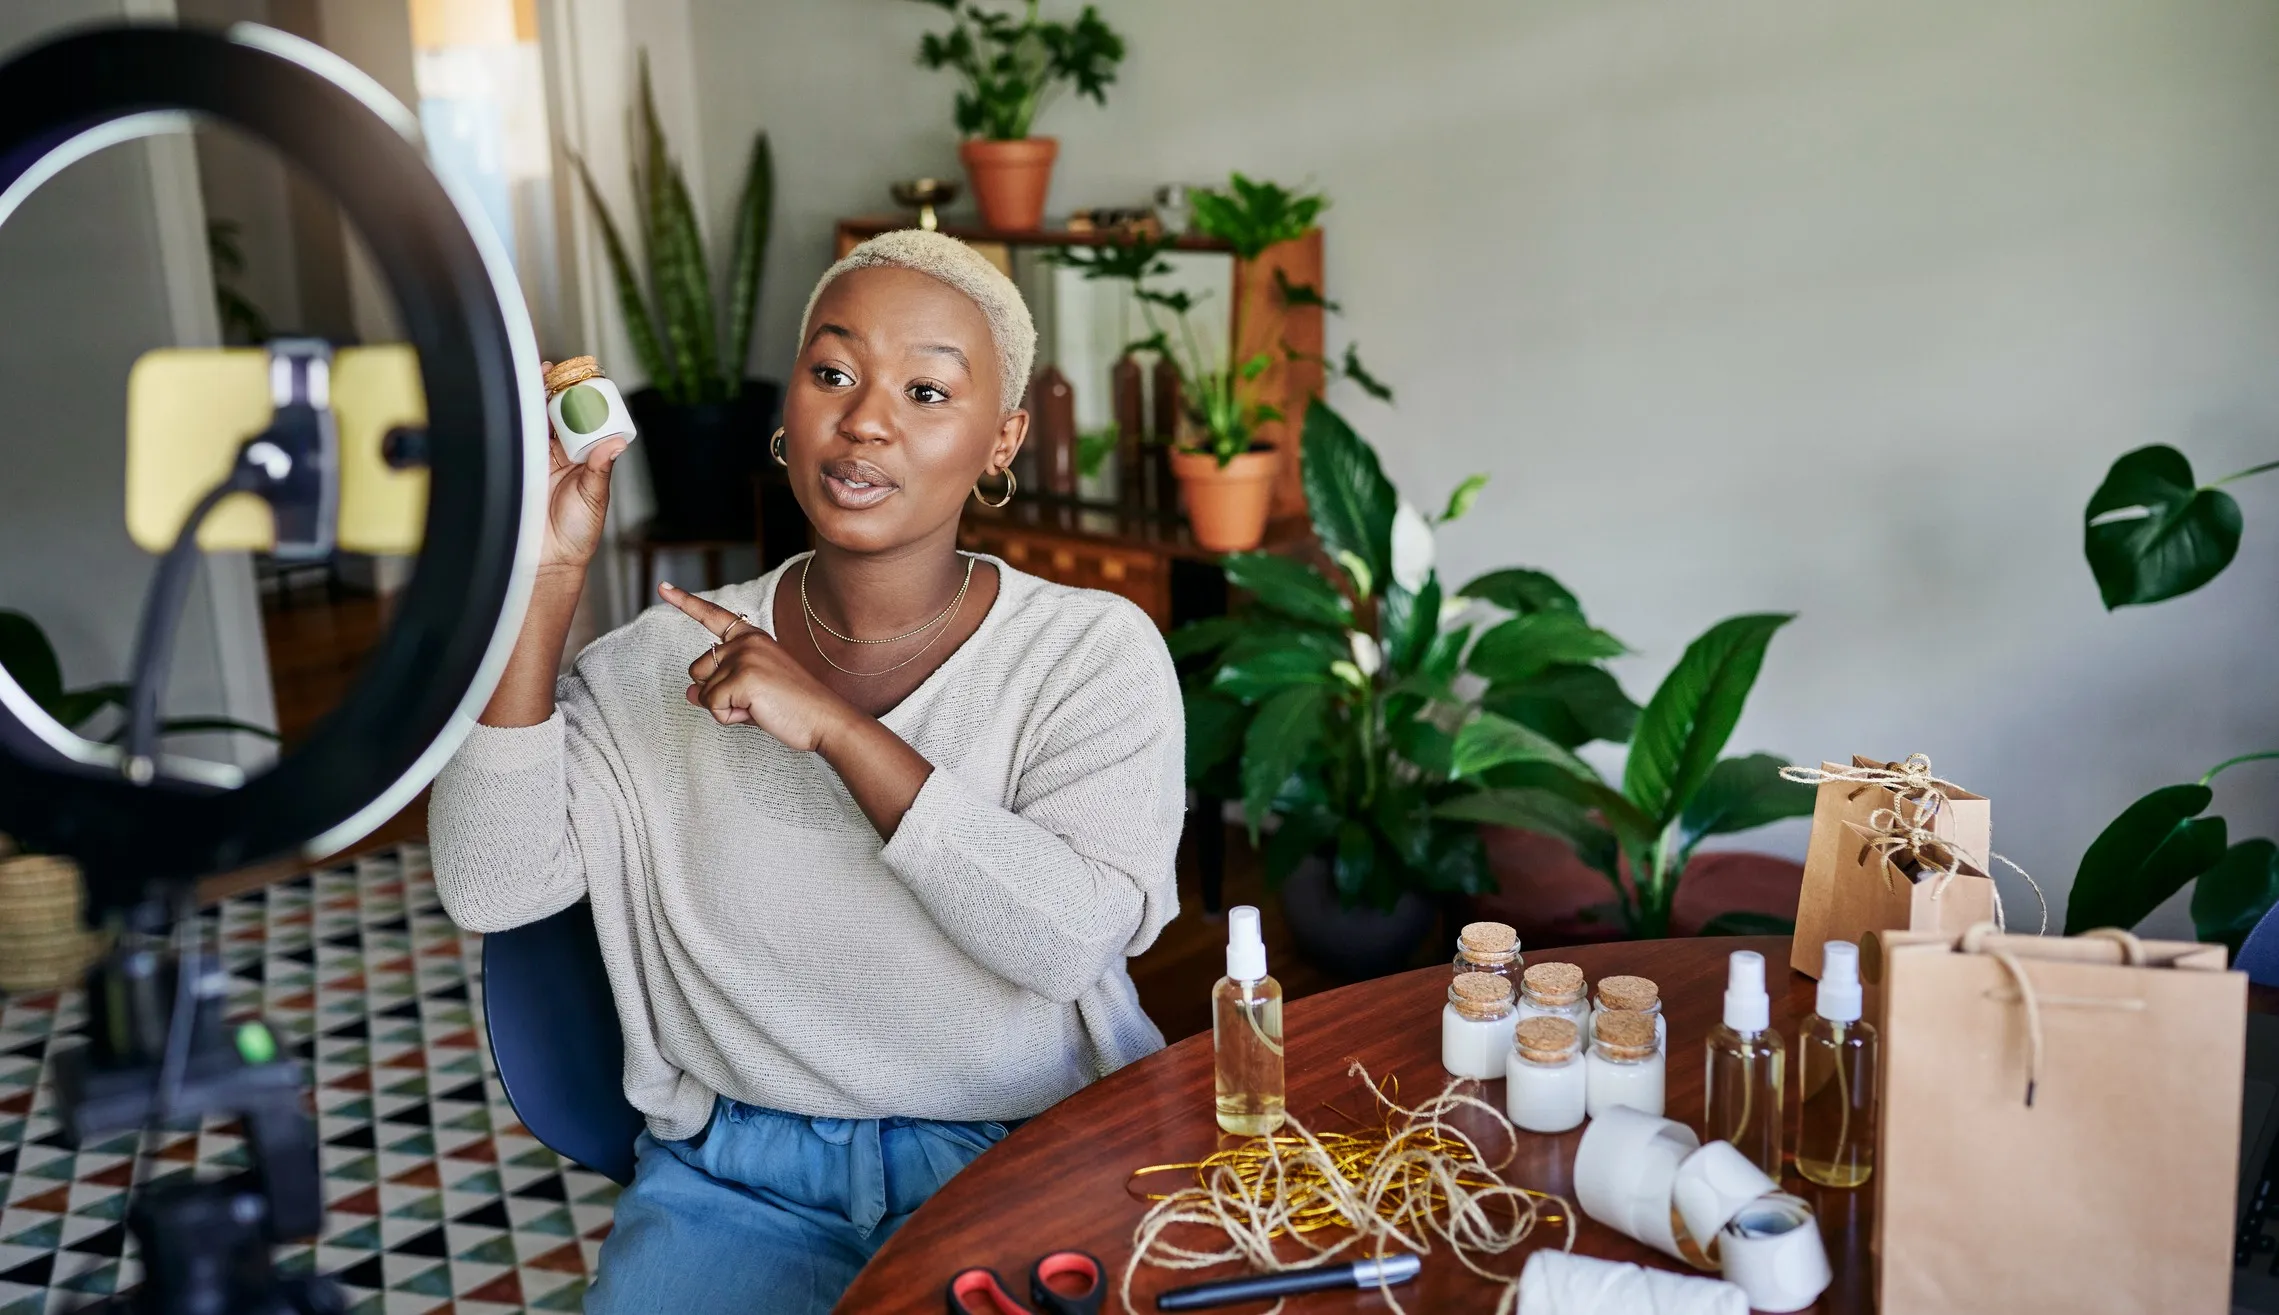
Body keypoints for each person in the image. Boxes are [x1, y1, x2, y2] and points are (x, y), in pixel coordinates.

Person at [427, 230, 1185, 1313]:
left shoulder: (1087, 652)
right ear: (787, 409)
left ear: (1001, 437)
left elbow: (1067, 940)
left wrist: (837, 727)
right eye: (831, 373)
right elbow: (490, 884)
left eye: (926, 391)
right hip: (735, 1183)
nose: (865, 419)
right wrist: (543, 577)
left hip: (1021, 1159)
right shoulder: (657, 661)